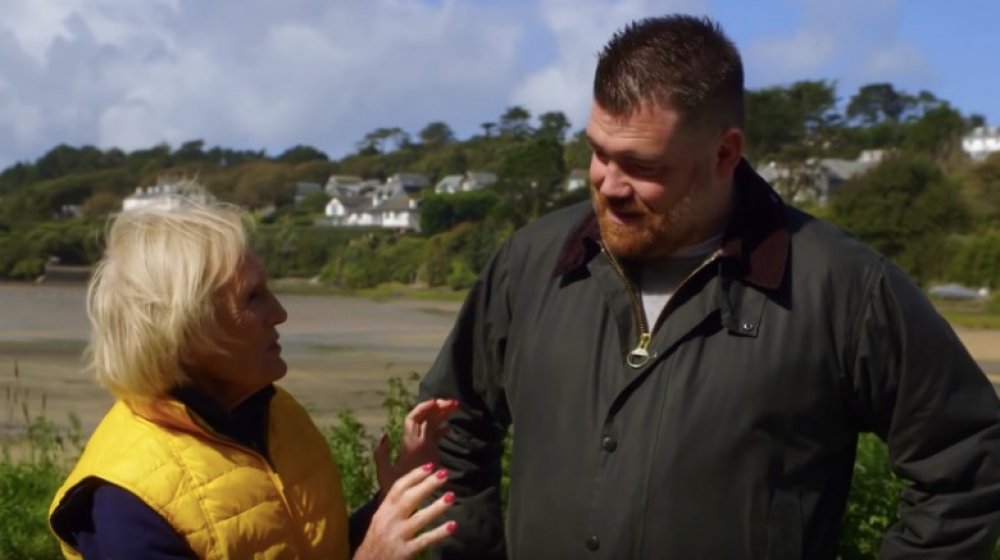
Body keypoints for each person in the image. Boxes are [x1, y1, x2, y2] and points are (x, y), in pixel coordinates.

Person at [419, 14, 1000, 559]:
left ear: (725, 152)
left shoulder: (844, 287)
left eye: (643, 165)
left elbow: (969, 462)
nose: (609, 185)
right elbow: (450, 433)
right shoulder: (530, 262)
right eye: (597, 153)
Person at [48, 193, 458, 559]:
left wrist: (389, 503)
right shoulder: (123, 502)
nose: (279, 313)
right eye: (253, 297)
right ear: (188, 329)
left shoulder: (276, 412)